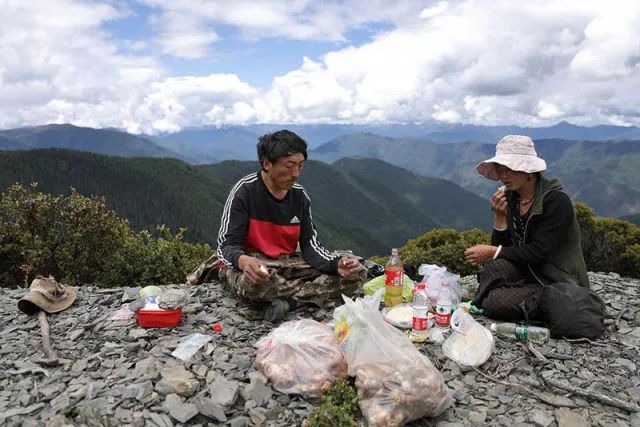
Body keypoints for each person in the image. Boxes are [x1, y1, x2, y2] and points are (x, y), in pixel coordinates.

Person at [215, 130, 365, 322]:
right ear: (267, 163)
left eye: (301, 166)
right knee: (255, 284)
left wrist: (337, 265)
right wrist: (243, 261)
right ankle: (304, 297)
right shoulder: (245, 191)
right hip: (252, 266)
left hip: (286, 263)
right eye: (289, 166)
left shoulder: (299, 197)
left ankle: (289, 301)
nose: (296, 174)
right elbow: (225, 245)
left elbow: (310, 246)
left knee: (357, 275)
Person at [464, 135, 589, 319]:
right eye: (500, 170)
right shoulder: (513, 199)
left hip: (555, 281)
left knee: (497, 301)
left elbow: (539, 253)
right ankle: (494, 296)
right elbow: (506, 250)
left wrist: (492, 251)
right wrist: (500, 219)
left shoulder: (555, 202)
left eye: (510, 169)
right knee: (493, 268)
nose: (503, 176)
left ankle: (494, 299)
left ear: (529, 171)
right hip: (527, 271)